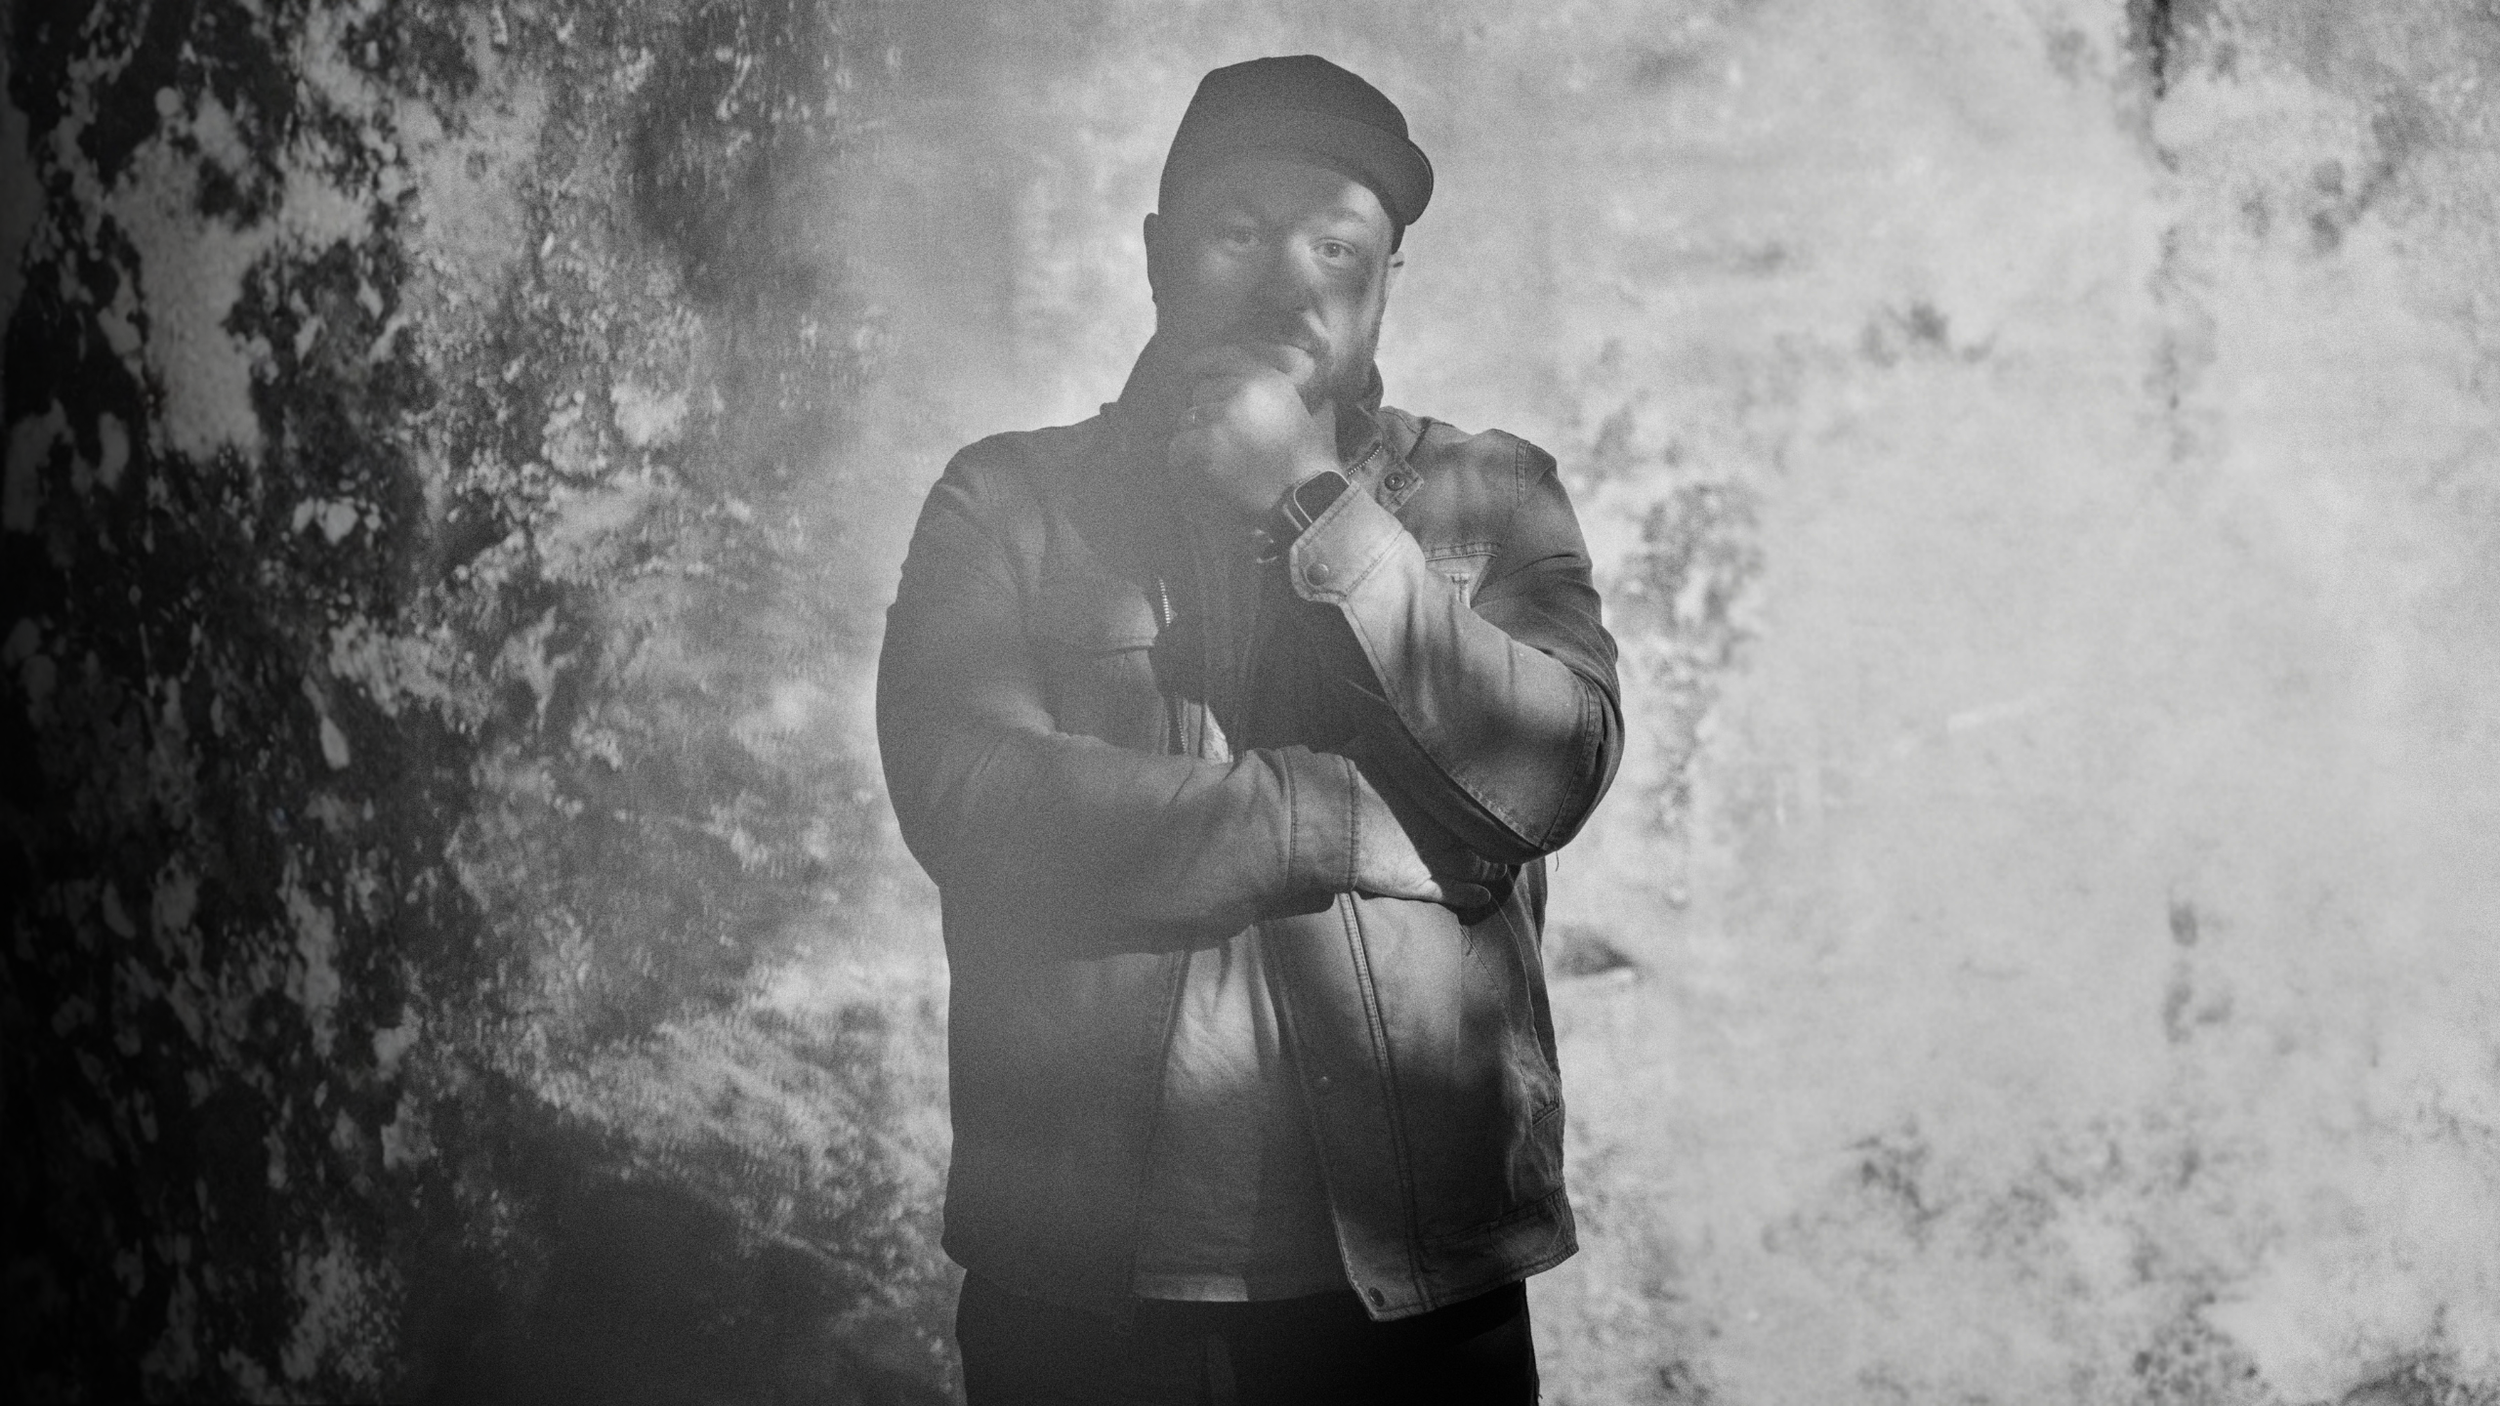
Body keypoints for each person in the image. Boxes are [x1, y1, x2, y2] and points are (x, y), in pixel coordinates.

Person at [876, 53, 1622, 1405]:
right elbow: (976, 801)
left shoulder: (1495, 497)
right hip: (1088, 1298)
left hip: (1421, 1296)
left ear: (1389, 274)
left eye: (1339, 245)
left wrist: (1315, 501)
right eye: (1239, 233)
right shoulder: (1007, 503)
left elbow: (1557, 764)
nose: (1292, 285)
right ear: (1158, 255)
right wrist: (1331, 820)